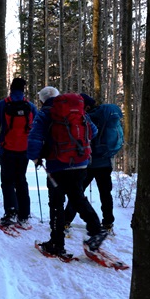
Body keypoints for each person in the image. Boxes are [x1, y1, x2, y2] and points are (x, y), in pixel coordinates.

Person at [28, 87, 107, 258]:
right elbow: (93, 131)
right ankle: (96, 229)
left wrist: (35, 157)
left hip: (58, 165)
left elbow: (34, 137)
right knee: (77, 196)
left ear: (42, 100)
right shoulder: (78, 111)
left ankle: (56, 244)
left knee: (56, 203)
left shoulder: (45, 114)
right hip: (81, 163)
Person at [0, 77, 38, 229]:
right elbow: (37, 127)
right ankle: (24, 215)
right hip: (24, 151)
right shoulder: (30, 106)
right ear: (23, 90)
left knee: (7, 182)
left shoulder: (3, 105)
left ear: (11, 89)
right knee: (21, 180)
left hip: (7, 150)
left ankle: (11, 213)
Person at [64, 93, 124, 234]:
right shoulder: (105, 116)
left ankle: (66, 221)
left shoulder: (87, 118)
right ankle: (108, 223)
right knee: (105, 194)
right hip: (105, 162)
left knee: (77, 193)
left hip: (89, 163)